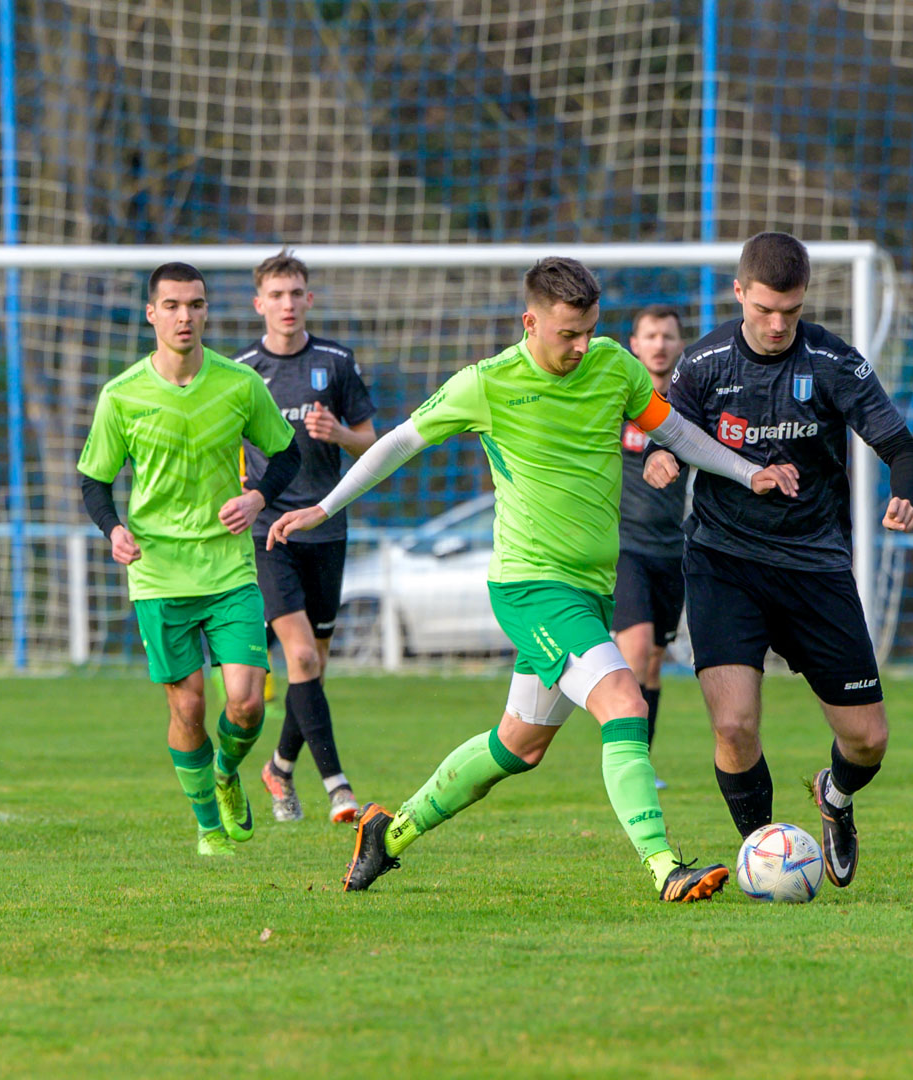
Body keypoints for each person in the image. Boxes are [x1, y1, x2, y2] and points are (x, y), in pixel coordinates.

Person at [267, 257, 800, 902]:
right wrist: (324, 508)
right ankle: (665, 869)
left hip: (589, 590)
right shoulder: (486, 383)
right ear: (530, 322)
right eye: (567, 334)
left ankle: (389, 832)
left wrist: (748, 471)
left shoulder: (614, 366)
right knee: (625, 703)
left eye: (590, 330)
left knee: (517, 746)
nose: (581, 346)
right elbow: (399, 443)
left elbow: (679, 433)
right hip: (531, 587)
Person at [643, 232, 913, 889]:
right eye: (764, 309)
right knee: (734, 724)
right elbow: (667, 430)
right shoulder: (703, 363)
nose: (777, 325)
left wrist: (905, 494)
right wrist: (659, 457)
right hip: (723, 561)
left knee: (868, 741)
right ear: (739, 292)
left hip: (814, 565)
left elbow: (902, 448)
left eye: (790, 311)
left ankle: (835, 797)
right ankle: (766, 853)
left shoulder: (833, 361)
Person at [78, 263, 301, 857]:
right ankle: (208, 826)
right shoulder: (121, 394)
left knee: (247, 702)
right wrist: (113, 530)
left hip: (228, 568)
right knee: (190, 705)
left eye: (196, 305)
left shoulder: (239, 384)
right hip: (158, 573)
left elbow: (286, 454)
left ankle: (227, 773)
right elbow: (94, 481)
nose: (185, 317)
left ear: (206, 312)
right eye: (173, 306)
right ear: (151, 314)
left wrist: (258, 497)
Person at [234, 250, 378, 826]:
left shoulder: (335, 362)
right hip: (271, 532)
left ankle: (279, 767)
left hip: (326, 526)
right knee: (297, 656)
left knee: (312, 666)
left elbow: (372, 443)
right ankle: (338, 787)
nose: (287, 304)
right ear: (259, 304)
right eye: (276, 295)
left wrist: (338, 433)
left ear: (309, 299)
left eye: (296, 293)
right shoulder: (243, 372)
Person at [612, 305, 688, 789]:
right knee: (636, 651)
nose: (659, 344)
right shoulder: (618, 401)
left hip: (673, 550)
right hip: (625, 548)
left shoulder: (689, 405)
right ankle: (626, 763)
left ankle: (643, 759)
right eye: (650, 336)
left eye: (668, 336)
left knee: (655, 661)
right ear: (635, 345)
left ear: (679, 345)